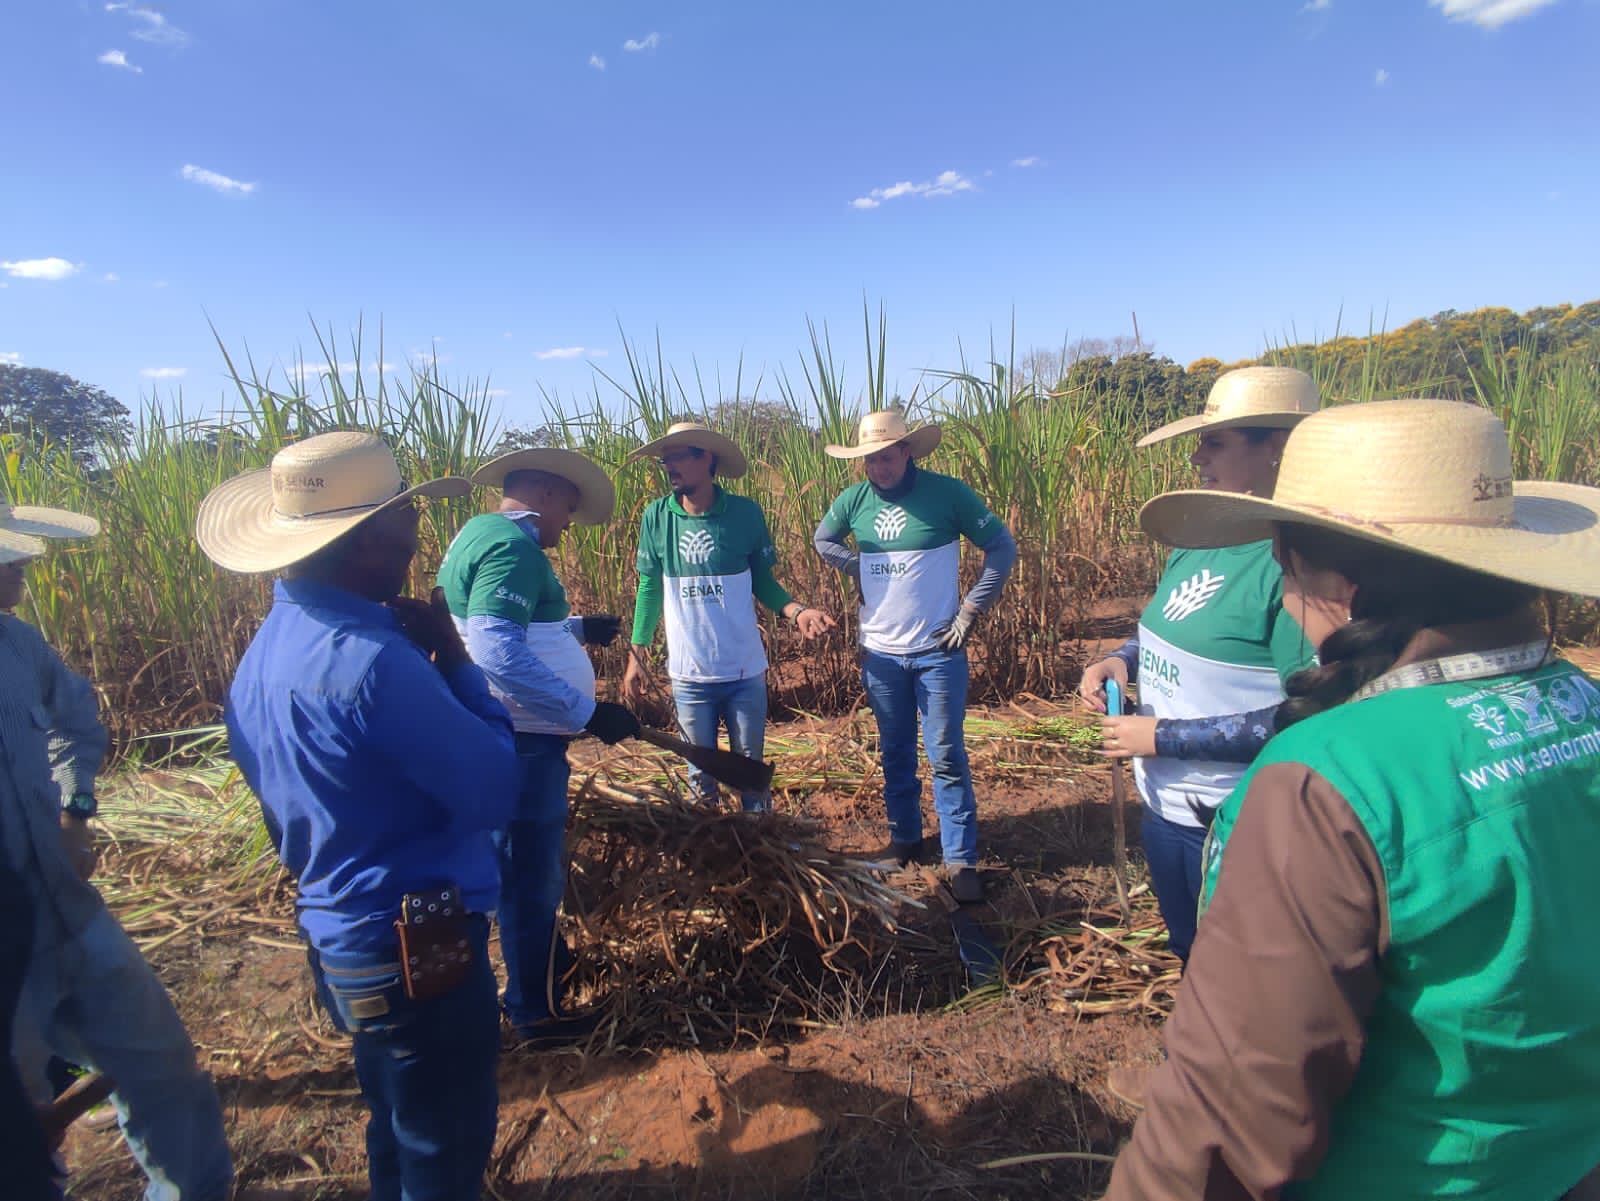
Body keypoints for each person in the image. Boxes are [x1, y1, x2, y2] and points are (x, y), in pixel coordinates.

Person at [1105, 398, 1600, 1200]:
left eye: (1281, 554)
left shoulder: (1325, 777)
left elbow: (1230, 1120)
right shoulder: (1582, 700)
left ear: (1336, 581)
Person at [199, 432, 521, 1201]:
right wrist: (460, 666)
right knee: (443, 1147)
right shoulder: (377, 663)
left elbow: (288, 820)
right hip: (418, 947)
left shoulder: (263, 656)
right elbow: (495, 787)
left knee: (397, 1127)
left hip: (342, 942)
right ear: (363, 541)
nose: (415, 537)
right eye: (403, 520)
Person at [2, 502, 236, 1201]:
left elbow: (74, 717)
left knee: (160, 1060)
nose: (19, 565)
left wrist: (75, 808)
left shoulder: (19, 647)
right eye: (8, 555)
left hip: (69, 911)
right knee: (15, 1142)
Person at [1078, 367, 1320, 975]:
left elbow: (1312, 717)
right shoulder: (1201, 538)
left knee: (1250, 977)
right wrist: (1120, 658)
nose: (1195, 456)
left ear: (1277, 448)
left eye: (1216, 442)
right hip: (1166, 804)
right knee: (1191, 952)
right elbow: (1164, 628)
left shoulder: (1299, 566)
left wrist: (1160, 737)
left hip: (1234, 822)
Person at [436, 447, 641, 1044]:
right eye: (568, 508)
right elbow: (496, 651)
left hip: (509, 737)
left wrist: (575, 630)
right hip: (524, 742)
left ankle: (546, 969)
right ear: (546, 493)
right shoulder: (512, 548)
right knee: (529, 877)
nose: (568, 522)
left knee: (518, 869)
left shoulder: (477, 533)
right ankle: (534, 1010)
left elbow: (483, 627)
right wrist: (587, 710)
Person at [813, 410, 1015, 904]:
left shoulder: (949, 495)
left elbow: (1001, 547)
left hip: (937, 653)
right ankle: (905, 840)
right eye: (869, 459)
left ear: (907, 452)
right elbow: (823, 540)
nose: (878, 468)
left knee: (945, 753)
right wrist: (856, 565)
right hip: (881, 655)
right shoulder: (853, 501)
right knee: (896, 752)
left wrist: (969, 611)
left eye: (886, 456)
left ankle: (960, 857)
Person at [622, 422, 834, 812]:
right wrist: (637, 654)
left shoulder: (744, 514)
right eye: (665, 459)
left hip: (743, 673)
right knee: (699, 777)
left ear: (706, 458)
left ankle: (761, 856)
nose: (669, 466)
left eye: (678, 456)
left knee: (750, 772)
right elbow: (649, 589)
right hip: (689, 676)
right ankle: (713, 861)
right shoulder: (656, 518)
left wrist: (796, 611)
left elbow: (763, 582)